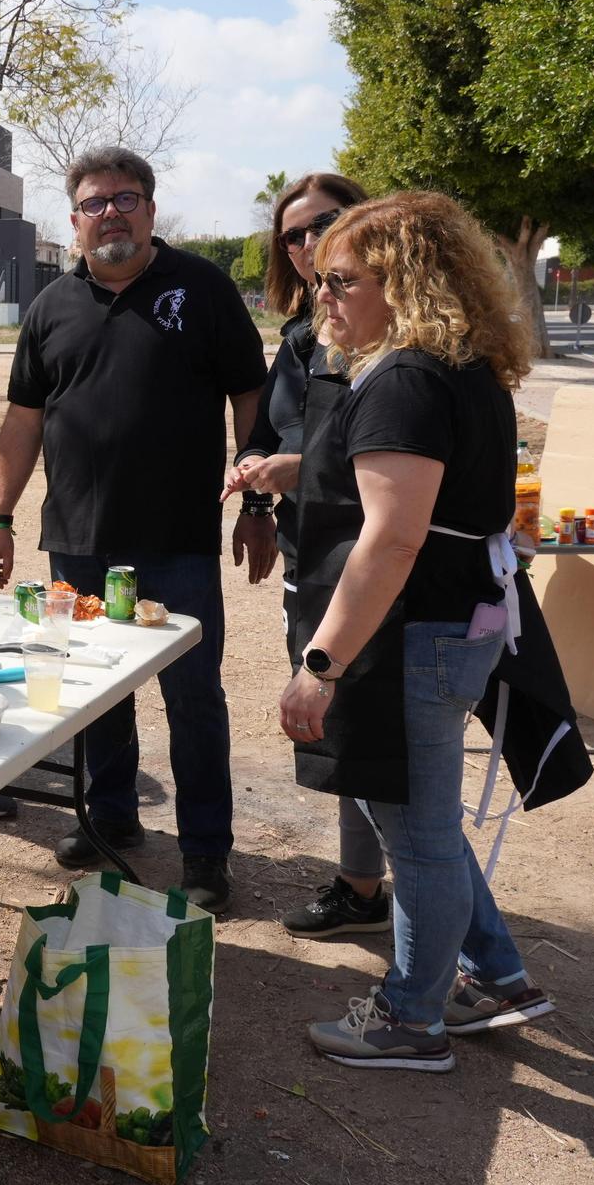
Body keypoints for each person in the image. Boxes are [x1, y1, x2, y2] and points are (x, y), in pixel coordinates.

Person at [284, 191, 554, 1072]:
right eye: (321, 278)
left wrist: (320, 665)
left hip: (417, 634)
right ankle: (497, 974)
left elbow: (391, 539)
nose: (322, 295)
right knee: (423, 819)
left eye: (342, 280)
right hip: (454, 623)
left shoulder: (404, 379)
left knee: (419, 832)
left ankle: (411, 1016)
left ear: (405, 282)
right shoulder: (461, 365)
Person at [0, 147, 267, 912]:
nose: (112, 212)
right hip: (78, 537)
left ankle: (207, 851)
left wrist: (259, 499)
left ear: (151, 208)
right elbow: (23, 423)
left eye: (126, 198)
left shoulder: (201, 288)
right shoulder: (49, 308)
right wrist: (1, 516)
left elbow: (251, 396)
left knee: (193, 698)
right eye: (96, 202)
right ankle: (110, 816)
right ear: (73, 221)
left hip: (178, 540)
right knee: (96, 692)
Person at [221, 173, 393, 940]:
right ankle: (362, 887)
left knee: (374, 735)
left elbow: (379, 462)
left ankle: (442, 938)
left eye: (324, 223)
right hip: (309, 557)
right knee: (342, 732)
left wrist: (292, 468)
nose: (307, 242)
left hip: (372, 568)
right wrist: (258, 498)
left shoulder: (395, 338)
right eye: (292, 235)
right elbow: (266, 435)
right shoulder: (299, 342)